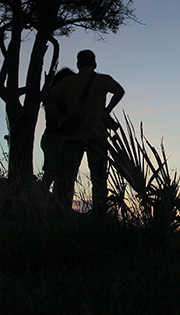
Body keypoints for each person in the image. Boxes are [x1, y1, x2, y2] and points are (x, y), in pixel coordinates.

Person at [49, 50, 125, 214]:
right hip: (97, 135)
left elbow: (47, 97)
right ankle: (99, 214)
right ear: (95, 64)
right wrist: (107, 110)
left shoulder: (69, 82)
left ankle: (63, 212)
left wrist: (61, 118)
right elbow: (120, 91)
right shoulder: (103, 80)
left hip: (72, 136)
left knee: (68, 178)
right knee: (98, 179)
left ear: (78, 64)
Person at [38, 67, 75, 192]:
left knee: (51, 173)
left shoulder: (53, 97)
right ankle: (53, 204)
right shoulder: (56, 99)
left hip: (50, 137)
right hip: (56, 138)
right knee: (58, 174)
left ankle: (42, 201)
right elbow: (58, 120)